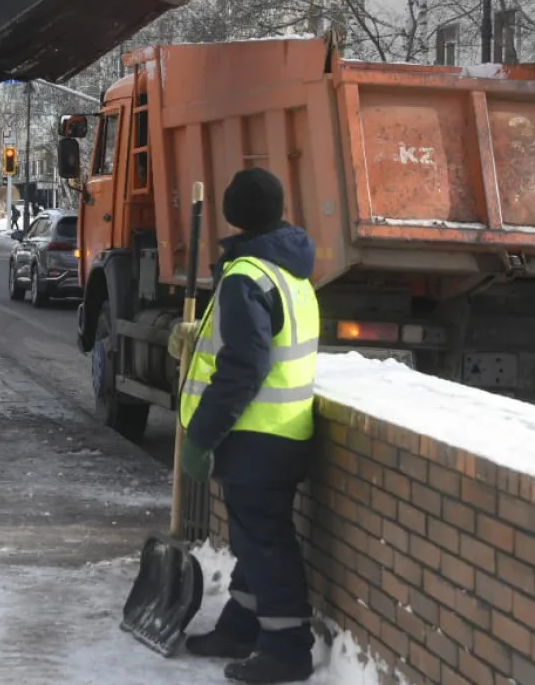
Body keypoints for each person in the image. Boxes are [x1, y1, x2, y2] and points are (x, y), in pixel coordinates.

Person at [176, 167, 320, 684]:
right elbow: (257, 343)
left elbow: (246, 366)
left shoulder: (245, 276)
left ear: (234, 214)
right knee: (254, 539)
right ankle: (240, 626)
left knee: (265, 542)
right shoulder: (288, 270)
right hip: (285, 430)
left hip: (257, 435)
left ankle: (286, 648)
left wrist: (202, 436)